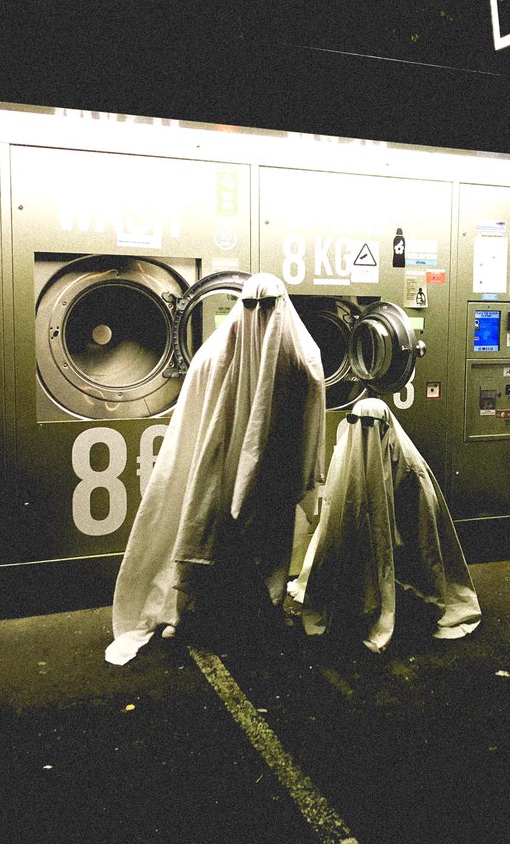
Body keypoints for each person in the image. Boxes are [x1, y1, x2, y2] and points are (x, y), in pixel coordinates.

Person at [105, 272, 325, 665]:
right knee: (223, 539)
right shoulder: (291, 356)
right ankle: (206, 612)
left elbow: (307, 418)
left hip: (257, 474)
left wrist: (300, 470)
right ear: (243, 307)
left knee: (237, 540)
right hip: (223, 471)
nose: (262, 317)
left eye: (268, 307)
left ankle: (236, 613)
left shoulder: (288, 357)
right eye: (253, 307)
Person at [287, 397, 481, 653]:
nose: (365, 432)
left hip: (404, 544)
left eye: (371, 425)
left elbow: (424, 529)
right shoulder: (348, 456)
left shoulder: (410, 467)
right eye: (358, 423)